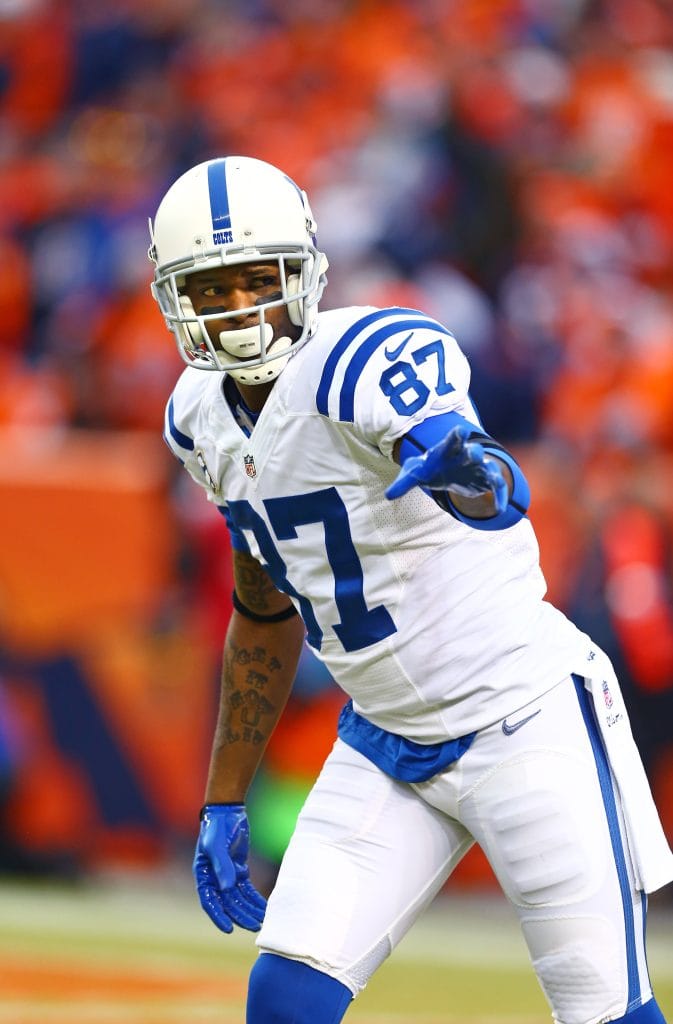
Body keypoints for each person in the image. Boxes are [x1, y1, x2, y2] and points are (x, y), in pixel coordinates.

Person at [148, 155, 673, 1024]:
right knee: (284, 1001)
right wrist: (224, 795)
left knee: (605, 1013)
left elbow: (482, 480)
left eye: (258, 279)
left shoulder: (363, 359)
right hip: (384, 740)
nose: (239, 307)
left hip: (521, 717)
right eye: (212, 287)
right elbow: (263, 605)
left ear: (303, 272)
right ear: (176, 298)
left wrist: (473, 473)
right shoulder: (197, 417)